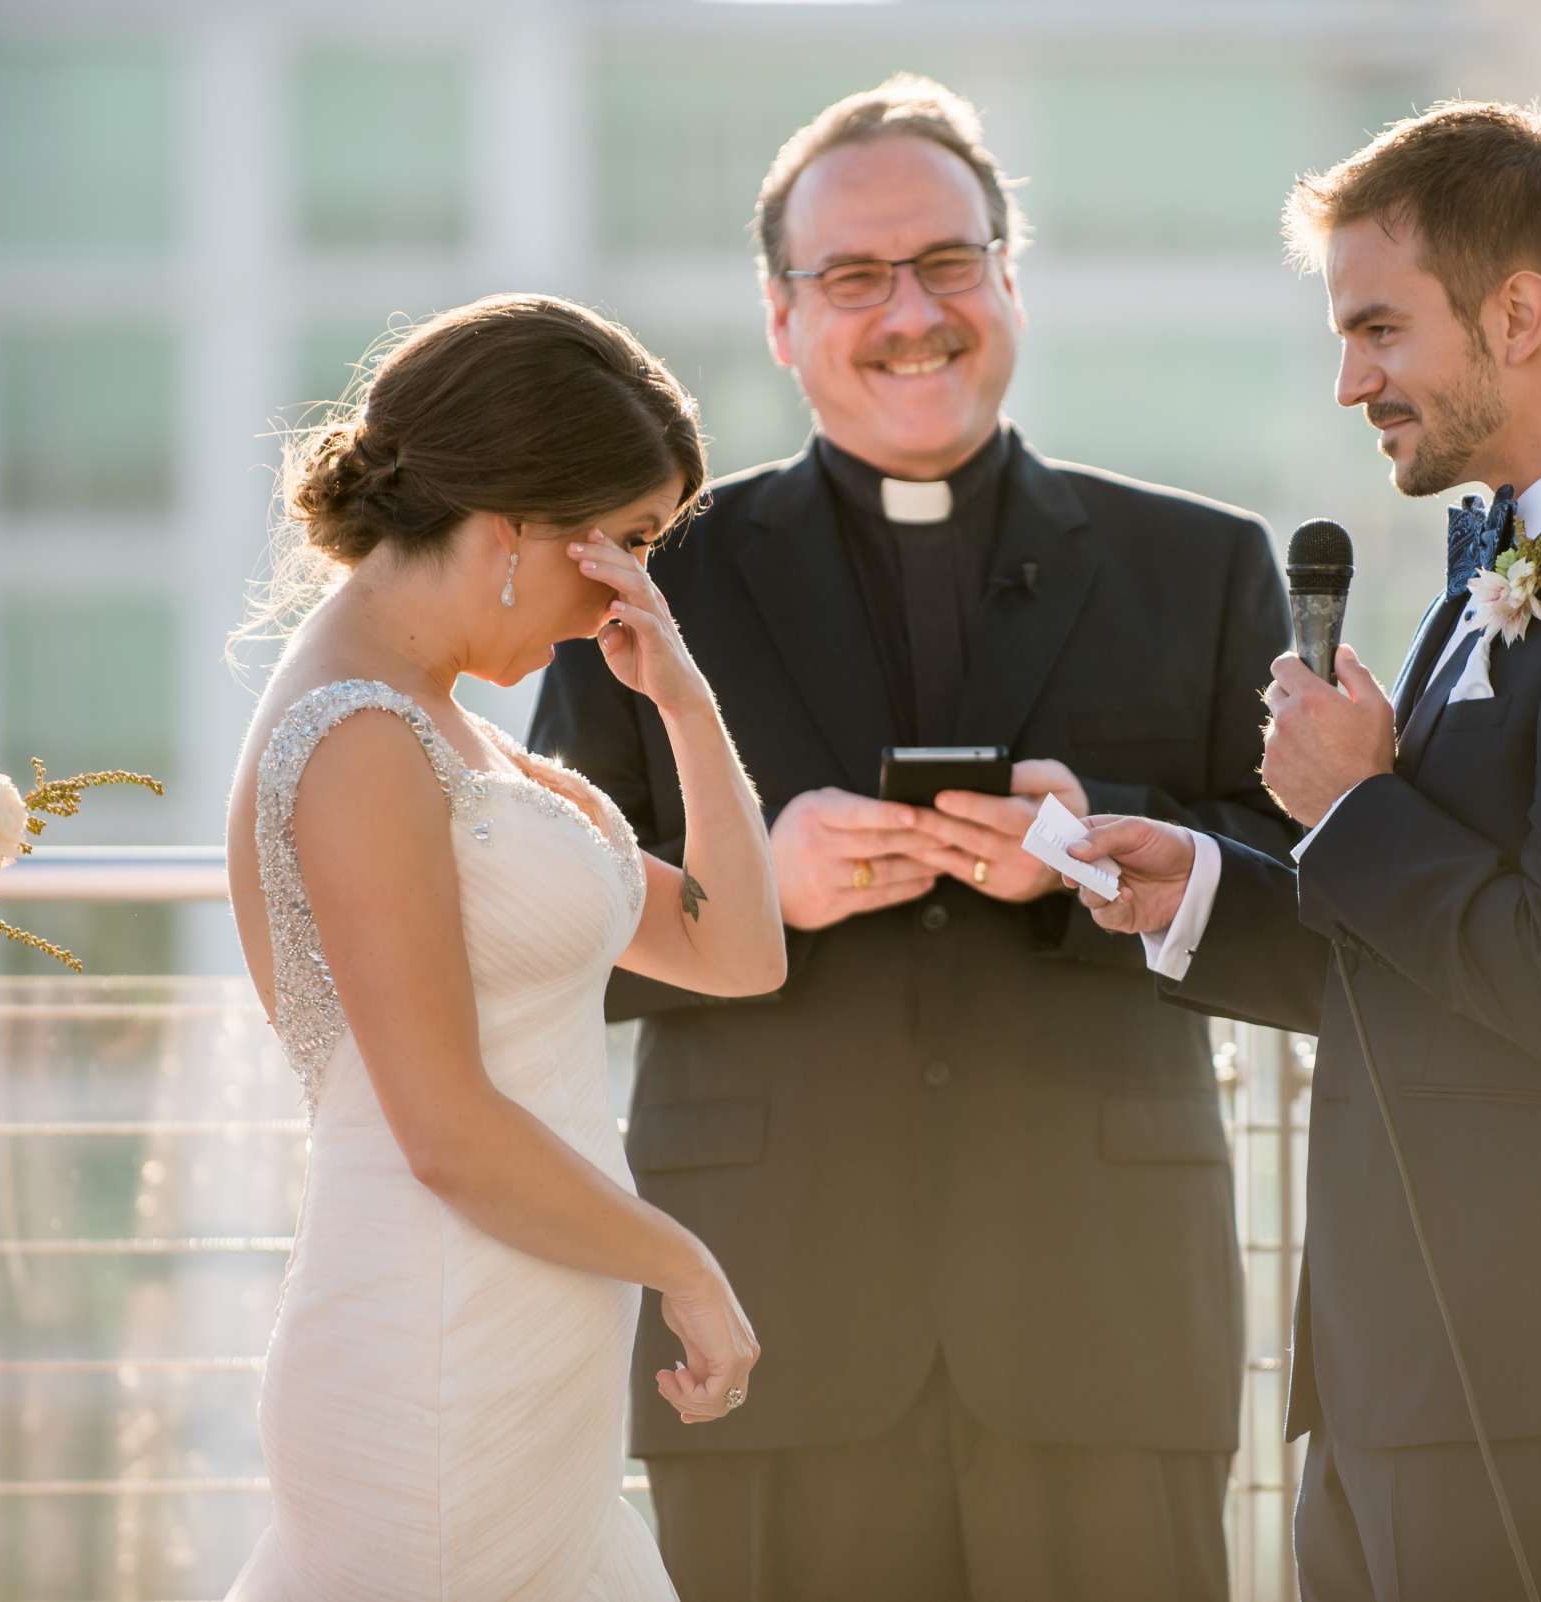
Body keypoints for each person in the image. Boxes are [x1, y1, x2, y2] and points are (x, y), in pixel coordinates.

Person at [528, 75, 1295, 1602]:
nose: (911, 314)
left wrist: (1092, 867)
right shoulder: (647, 581)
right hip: (763, 1321)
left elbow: (1305, 920)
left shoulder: (1203, 567)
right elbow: (543, 931)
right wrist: (755, 889)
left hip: (1109, 1318)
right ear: (780, 317)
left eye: (948, 262)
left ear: (1009, 277)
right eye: (855, 277)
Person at [1073, 102, 1541, 1600]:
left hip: (1537, 1369)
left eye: (1380, 330)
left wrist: (1351, 805)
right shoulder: (1496, 575)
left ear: (1519, 313)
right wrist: (1203, 890)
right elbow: (1432, 952)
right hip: (1395, 1366)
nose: (1351, 382)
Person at [222, 294, 782, 1600]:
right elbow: (444, 1129)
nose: (633, 589)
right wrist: (680, 1261)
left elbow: (739, 949)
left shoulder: (459, 736)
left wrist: (686, 704)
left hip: (530, 1368)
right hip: (432, 1354)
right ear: (529, 520)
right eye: (631, 541)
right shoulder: (357, 736)